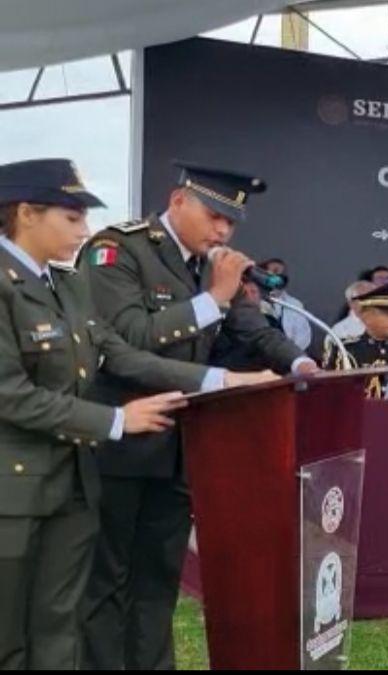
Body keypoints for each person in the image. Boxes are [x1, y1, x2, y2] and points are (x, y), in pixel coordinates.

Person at [0, 158, 270, 670]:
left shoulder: (63, 283)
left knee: (57, 630)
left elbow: (117, 352)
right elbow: (10, 395)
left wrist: (225, 380)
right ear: (27, 213)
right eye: (72, 217)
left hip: (72, 483)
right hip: (15, 490)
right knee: (9, 633)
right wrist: (118, 421)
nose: (84, 230)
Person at [78, 161, 317, 671]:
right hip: (121, 442)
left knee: (157, 580)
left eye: (231, 224)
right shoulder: (118, 251)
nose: (223, 231)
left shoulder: (211, 266)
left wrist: (299, 363)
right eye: (215, 216)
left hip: (183, 447)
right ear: (178, 200)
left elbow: (250, 330)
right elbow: (130, 337)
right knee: (107, 580)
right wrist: (212, 298)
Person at [255, 258, 312, 350]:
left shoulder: (294, 304)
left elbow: (304, 337)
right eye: (275, 272)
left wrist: (289, 354)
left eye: (282, 275)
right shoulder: (249, 301)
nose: (279, 278)